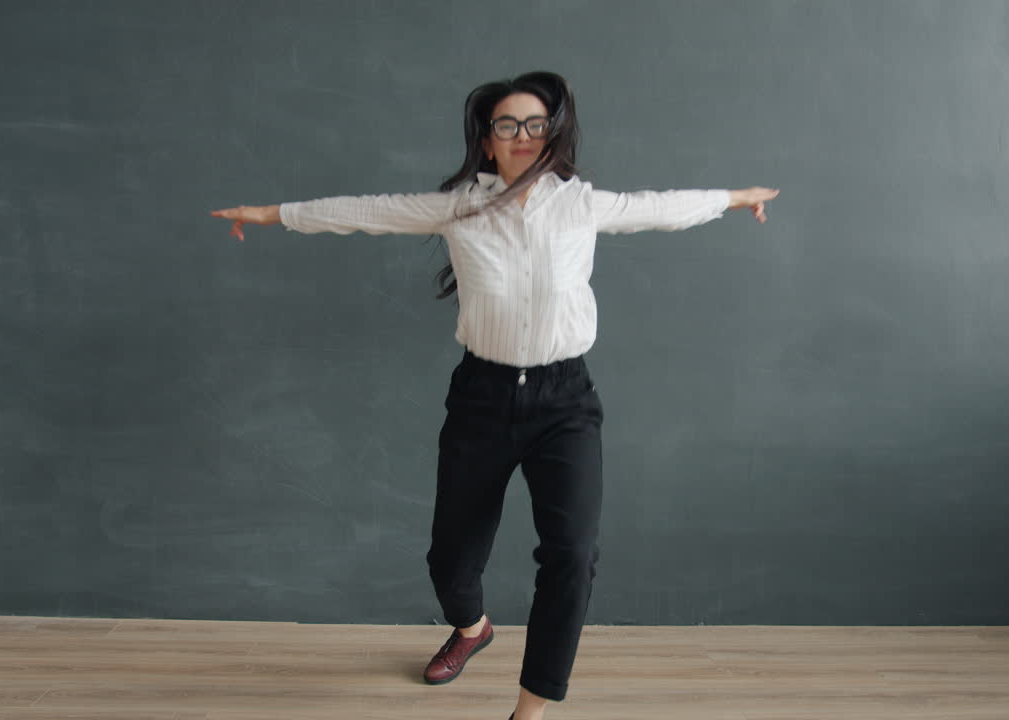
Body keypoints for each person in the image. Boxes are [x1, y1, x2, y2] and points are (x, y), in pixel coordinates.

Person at [211, 70, 779, 720]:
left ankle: (528, 711)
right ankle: (473, 628)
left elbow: (662, 206)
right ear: (487, 142)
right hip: (482, 398)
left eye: (536, 125)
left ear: (554, 137)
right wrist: (272, 215)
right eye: (507, 125)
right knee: (451, 560)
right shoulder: (458, 206)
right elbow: (363, 212)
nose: (522, 136)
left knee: (571, 557)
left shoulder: (582, 203)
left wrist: (733, 198)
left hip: (565, 402)